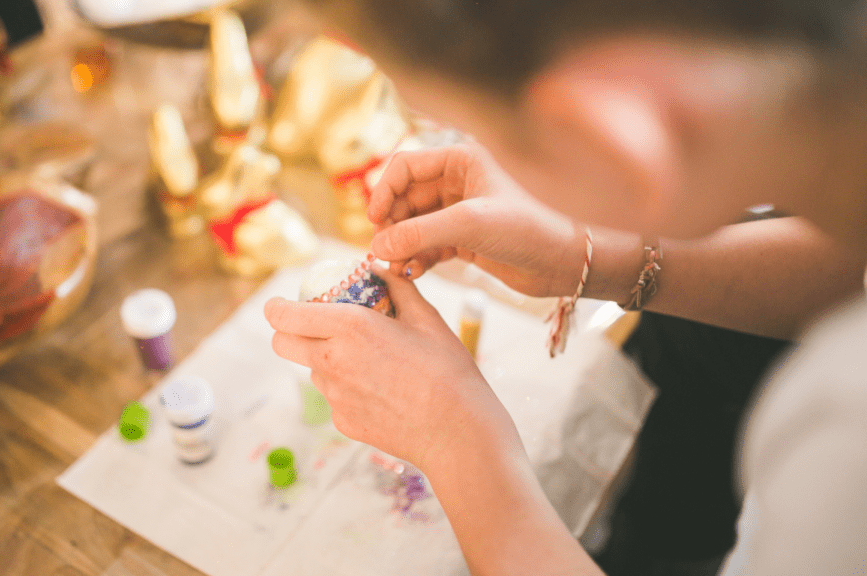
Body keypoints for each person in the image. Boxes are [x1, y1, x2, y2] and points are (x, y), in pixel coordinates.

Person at [265, 1, 867, 574]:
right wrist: (600, 258)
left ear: (606, 141)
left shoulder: (841, 440)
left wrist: (454, 441)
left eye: (462, 128)